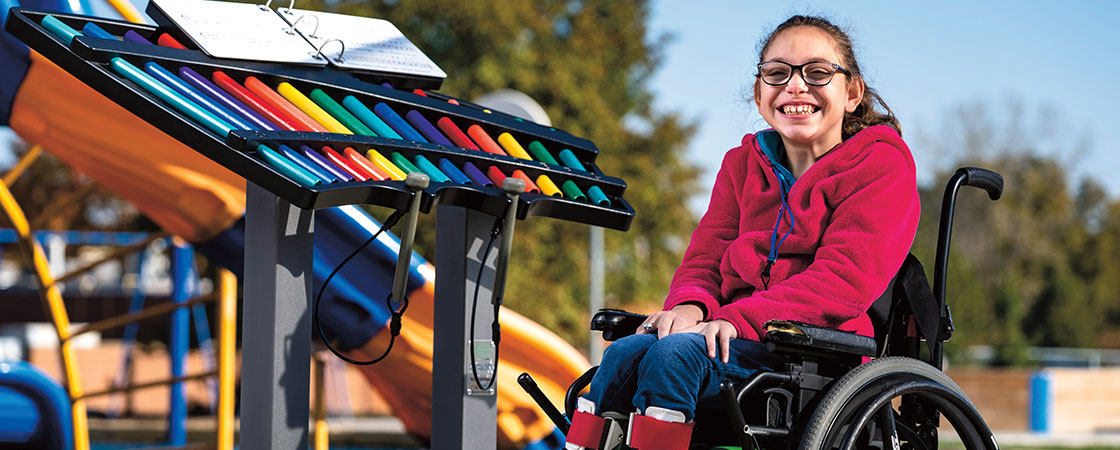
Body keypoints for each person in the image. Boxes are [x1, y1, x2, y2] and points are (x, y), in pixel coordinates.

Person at [563, 15, 921, 450]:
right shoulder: (741, 165)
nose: (795, 86)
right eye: (777, 73)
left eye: (818, 72)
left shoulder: (881, 167)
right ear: (758, 94)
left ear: (852, 93)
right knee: (621, 354)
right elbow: (705, 257)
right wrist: (691, 306)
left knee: (674, 355)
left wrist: (733, 320)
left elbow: (842, 283)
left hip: (816, 349)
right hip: (730, 340)